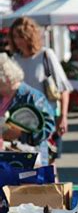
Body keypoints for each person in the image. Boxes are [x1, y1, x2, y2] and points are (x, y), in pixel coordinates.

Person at [8, 17, 72, 165]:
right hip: (22, 120)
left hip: (47, 118)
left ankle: (54, 188)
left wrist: (63, 117)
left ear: (30, 36)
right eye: (15, 37)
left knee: (49, 161)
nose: (18, 40)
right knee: (27, 163)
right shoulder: (14, 59)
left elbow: (63, 88)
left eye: (21, 36)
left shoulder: (45, 55)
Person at [0, 53, 55, 156]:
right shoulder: (2, 96)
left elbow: (48, 128)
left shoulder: (32, 97)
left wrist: (21, 134)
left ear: (6, 79)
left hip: (28, 159)